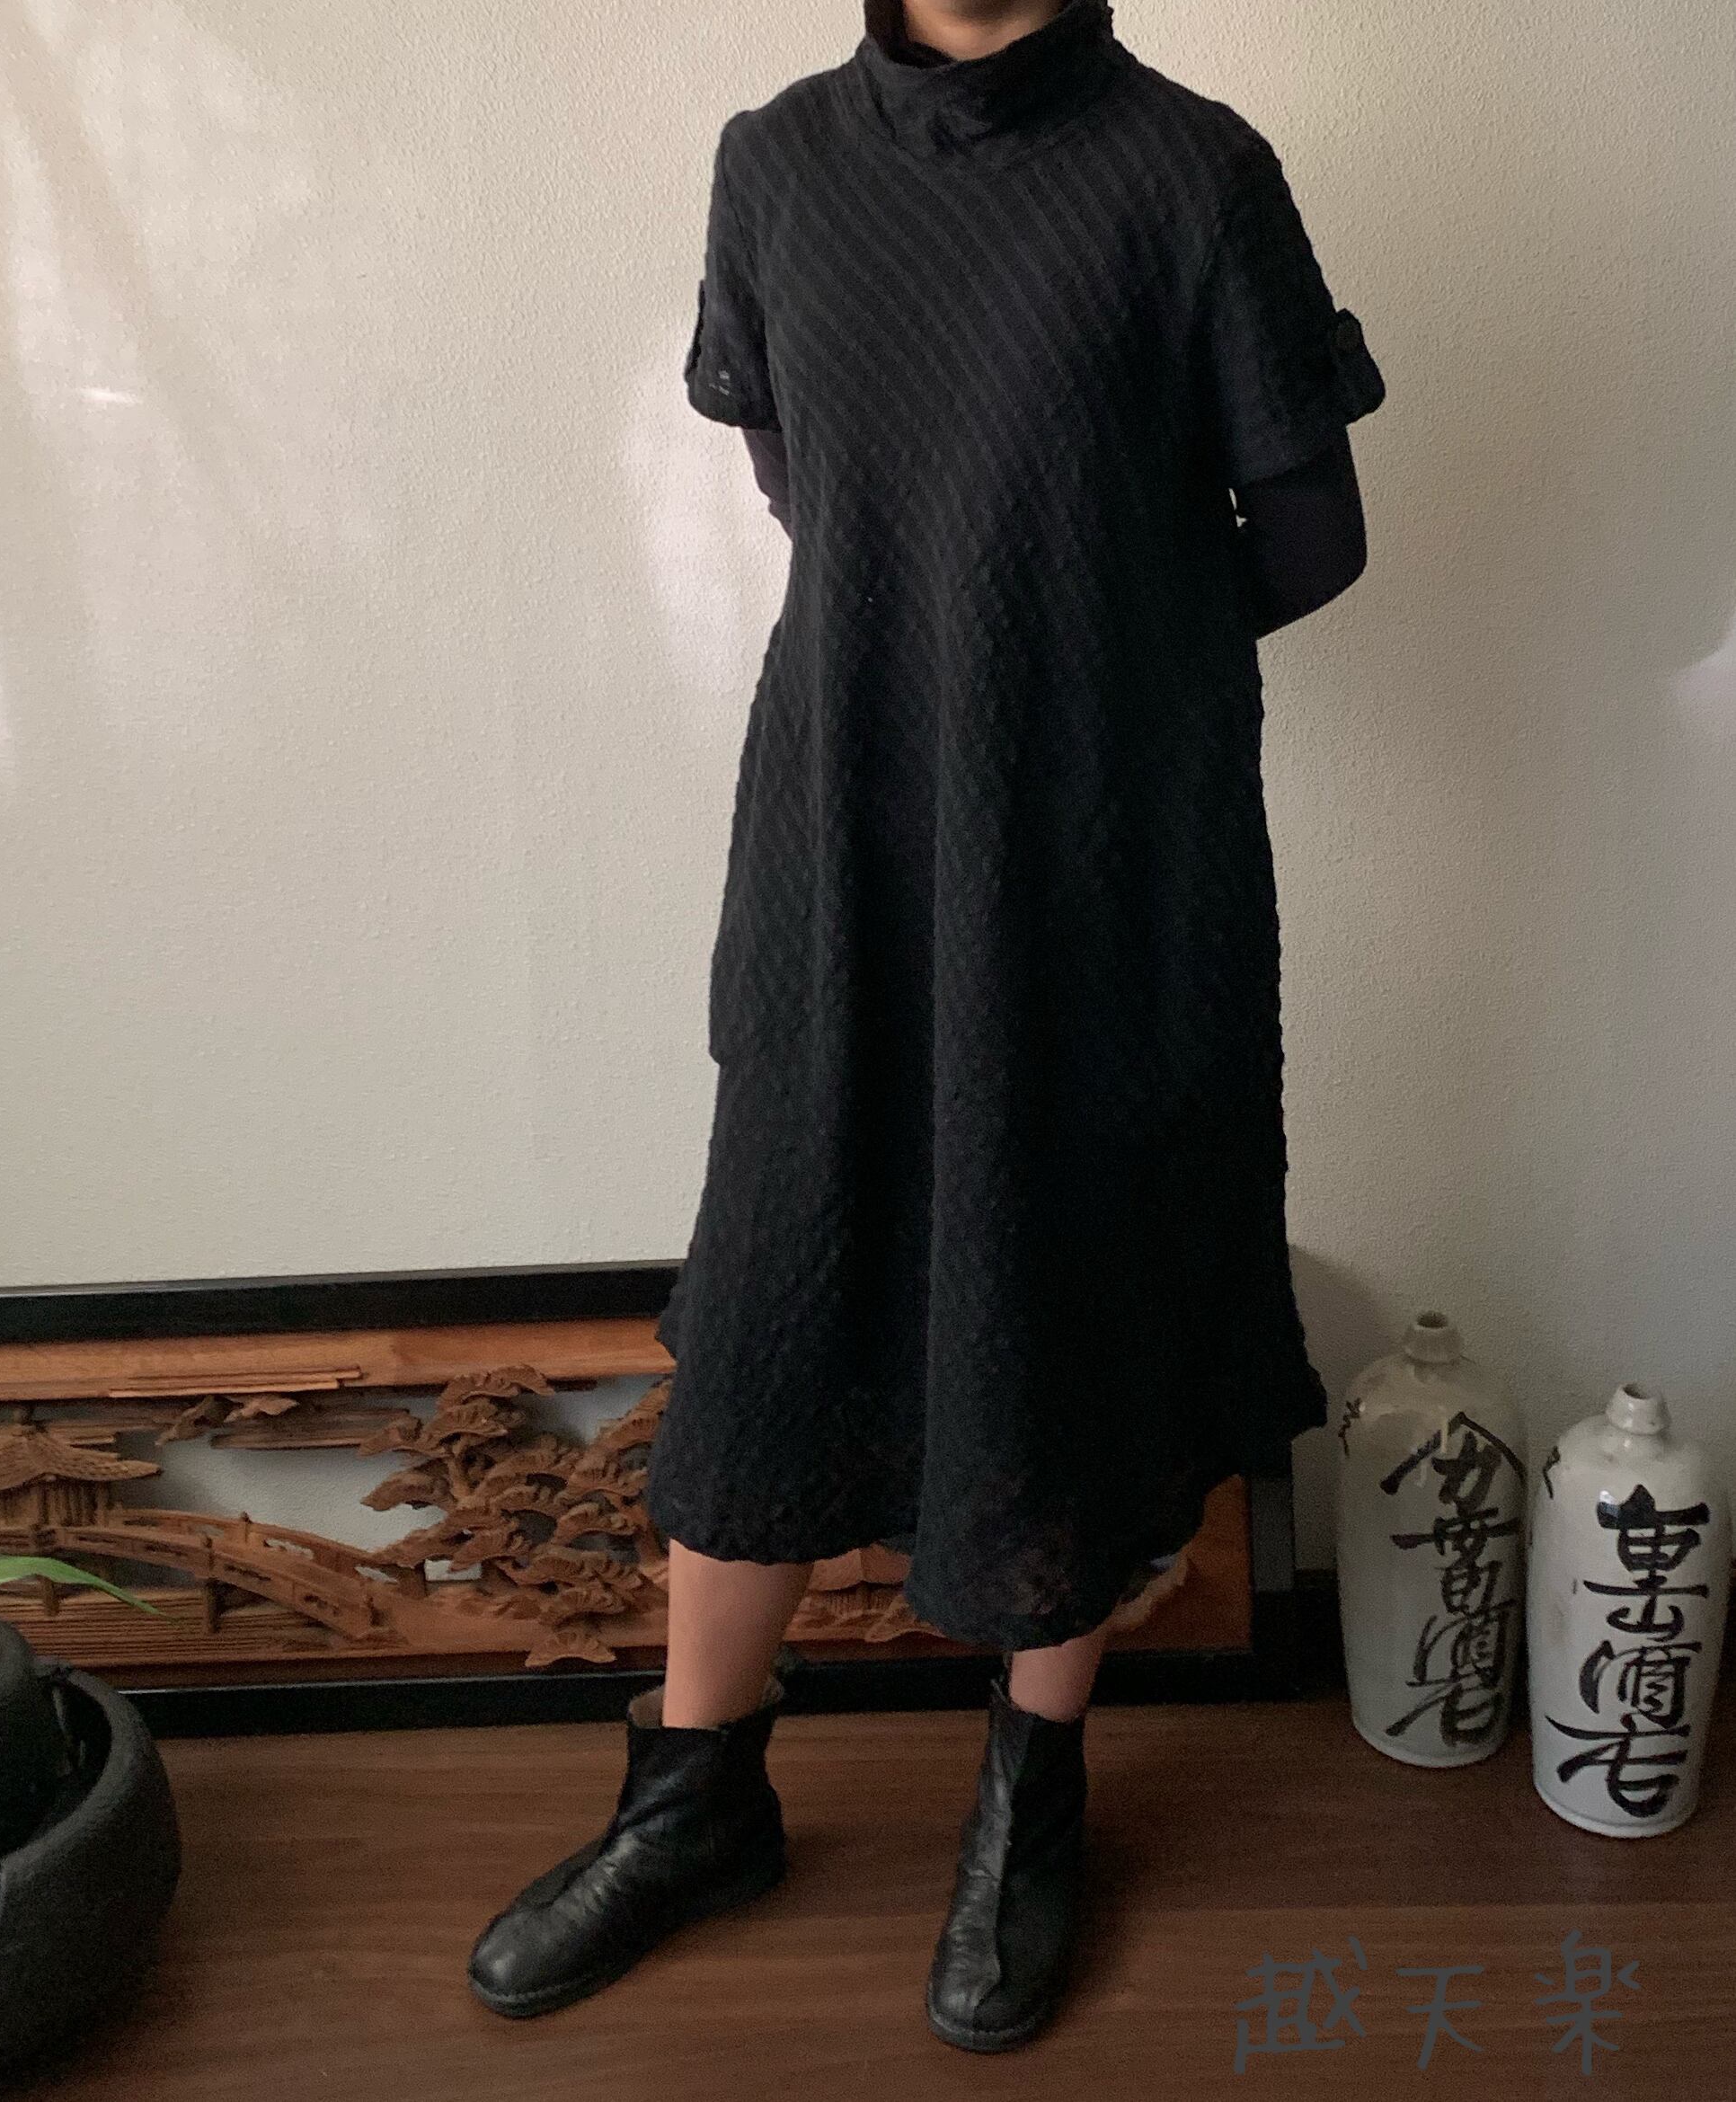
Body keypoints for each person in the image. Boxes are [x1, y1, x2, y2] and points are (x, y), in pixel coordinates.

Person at [469, 0, 1384, 2052]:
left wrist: (1082, 652)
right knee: (773, 1285)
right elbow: (813, 488)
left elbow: (1315, 535)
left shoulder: (1191, 173)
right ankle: (696, 1798)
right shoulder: (778, 163)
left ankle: (1032, 1801)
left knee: (1058, 1282)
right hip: (848, 818)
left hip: (1100, 841)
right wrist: (972, 629)